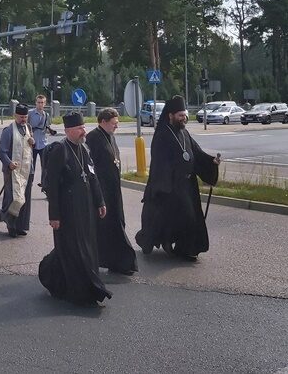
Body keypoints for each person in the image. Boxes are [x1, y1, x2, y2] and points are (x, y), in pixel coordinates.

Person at [38, 112, 112, 307]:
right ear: (69, 130)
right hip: (67, 211)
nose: (83, 131)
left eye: (83, 127)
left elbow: (93, 176)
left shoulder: (84, 149)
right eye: (79, 128)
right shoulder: (59, 151)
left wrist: (100, 201)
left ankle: (78, 283)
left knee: (84, 247)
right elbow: (52, 186)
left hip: (85, 208)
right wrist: (54, 215)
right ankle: (79, 290)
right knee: (72, 249)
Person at [135, 95, 221, 260]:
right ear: (171, 115)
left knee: (191, 216)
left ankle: (186, 248)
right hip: (171, 186)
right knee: (184, 217)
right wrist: (166, 184)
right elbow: (159, 162)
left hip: (188, 185)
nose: (184, 118)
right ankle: (177, 246)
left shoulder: (184, 132)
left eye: (185, 115)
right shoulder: (162, 135)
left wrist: (211, 161)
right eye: (180, 115)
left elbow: (196, 153)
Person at [85, 108, 137, 275]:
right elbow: (90, 166)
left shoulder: (109, 136)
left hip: (113, 190)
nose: (117, 126)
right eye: (114, 123)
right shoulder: (93, 138)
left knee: (117, 224)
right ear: (103, 122)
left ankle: (117, 262)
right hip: (102, 191)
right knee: (108, 228)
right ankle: (118, 262)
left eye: (117, 123)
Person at [0, 104, 35, 237]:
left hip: (27, 170)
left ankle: (20, 226)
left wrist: (32, 142)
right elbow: (1, 151)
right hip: (12, 171)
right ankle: (10, 224)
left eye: (25, 117)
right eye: (21, 117)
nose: (23, 119)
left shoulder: (29, 128)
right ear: (15, 116)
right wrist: (9, 163)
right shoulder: (8, 131)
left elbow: (30, 148)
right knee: (14, 199)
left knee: (25, 200)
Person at [27, 95, 56, 187]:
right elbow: (25, 126)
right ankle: (29, 184)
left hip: (43, 143)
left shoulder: (46, 115)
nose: (40, 104)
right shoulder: (30, 113)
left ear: (45, 104)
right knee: (31, 166)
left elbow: (46, 127)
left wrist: (50, 131)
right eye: (39, 102)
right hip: (32, 144)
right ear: (36, 103)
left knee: (45, 166)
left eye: (42, 102)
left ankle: (44, 185)